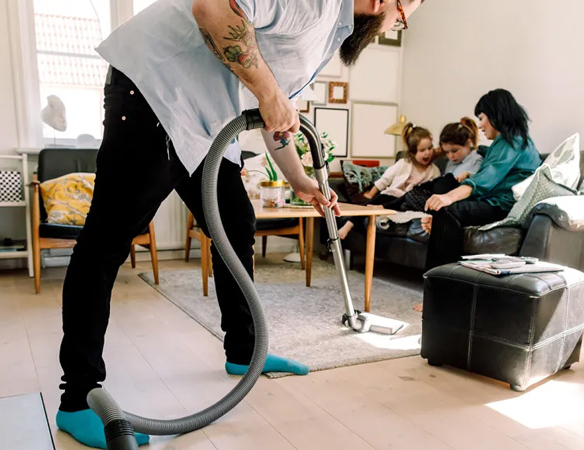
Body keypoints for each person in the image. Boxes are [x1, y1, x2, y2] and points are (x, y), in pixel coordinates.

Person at [55, 0, 426, 448]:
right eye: (404, 14)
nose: (396, 26)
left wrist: (300, 179)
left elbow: (275, 113)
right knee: (105, 244)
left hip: (203, 119)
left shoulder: (332, 30)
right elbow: (212, 7)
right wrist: (270, 96)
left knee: (235, 223)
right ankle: (76, 398)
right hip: (157, 94)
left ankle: (244, 352)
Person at [412, 89, 541, 312]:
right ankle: (444, 293)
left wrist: (447, 198)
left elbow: (485, 180)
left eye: (481, 118)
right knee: (444, 213)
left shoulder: (514, 141)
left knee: (446, 209)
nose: (480, 125)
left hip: (503, 206)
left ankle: (440, 296)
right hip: (495, 201)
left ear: (495, 115)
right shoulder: (506, 142)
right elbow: (488, 179)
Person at [338, 123, 440, 239]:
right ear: (412, 153)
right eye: (422, 150)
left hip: (409, 203)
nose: (427, 153)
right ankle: (349, 225)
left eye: (430, 148)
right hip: (392, 196)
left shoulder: (434, 171)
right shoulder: (403, 164)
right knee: (371, 204)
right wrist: (371, 194)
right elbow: (385, 180)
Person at [400, 117, 483, 212]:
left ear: (468, 143)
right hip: (440, 196)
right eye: (447, 152)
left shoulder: (476, 160)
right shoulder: (451, 161)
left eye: (454, 151)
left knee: (411, 197)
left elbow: (480, 183)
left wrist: (468, 175)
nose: (451, 156)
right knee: (411, 196)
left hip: (456, 201)